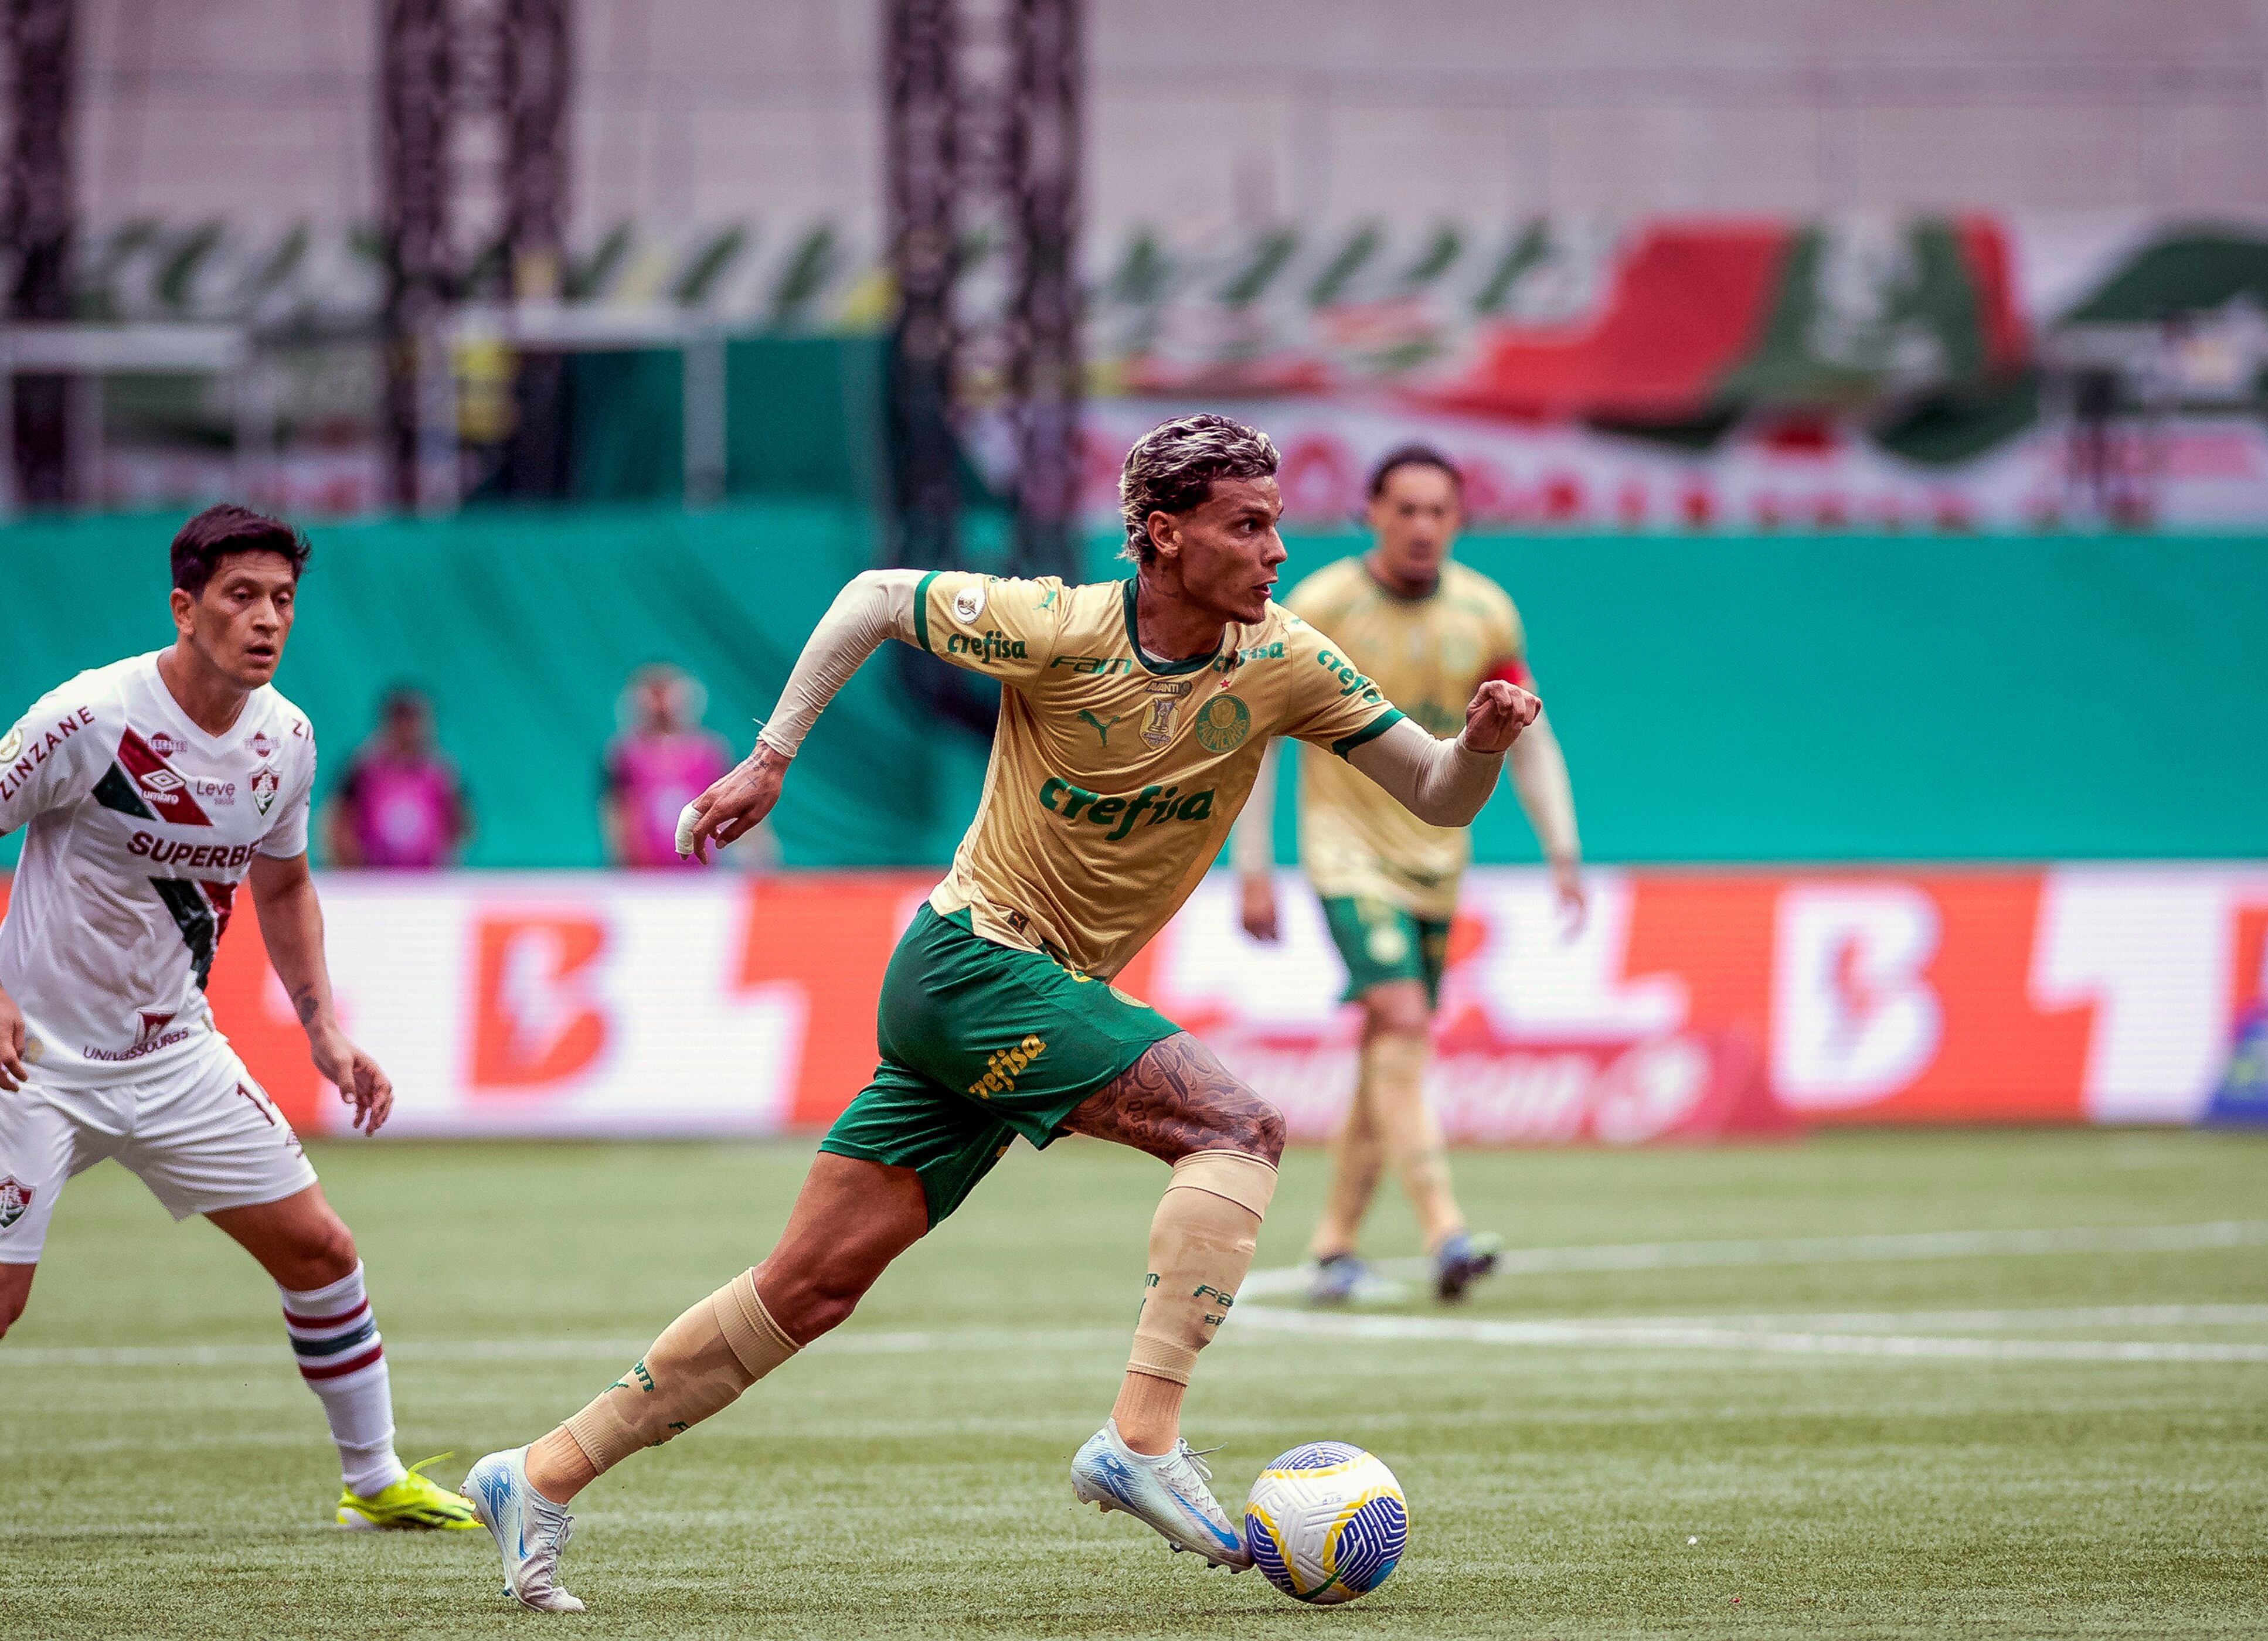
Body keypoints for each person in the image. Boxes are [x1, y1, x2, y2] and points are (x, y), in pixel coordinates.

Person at [458, 414, 1545, 1612]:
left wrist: (1481, 745)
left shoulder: (1285, 659)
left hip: (1016, 995)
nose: (1278, 549)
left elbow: (1439, 794)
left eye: (1278, 521)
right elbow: (875, 595)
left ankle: (540, 1471)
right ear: (1165, 535)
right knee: (1237, 1127)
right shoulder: (1065, 625)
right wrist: (771, 757)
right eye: (1250, 525)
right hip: (971, 964)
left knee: (807, 1287)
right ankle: (1140, 1436)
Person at [0, 503, 475, 1532]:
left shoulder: (289, 741)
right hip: (30, 1062)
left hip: (175, 1060)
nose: (268, 620)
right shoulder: (92, 718)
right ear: (185, 607)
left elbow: (287, 887)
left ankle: (374, 1478)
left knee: (322, 1252)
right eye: (242, 597)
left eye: (285, 601)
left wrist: (324, 1029)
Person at [1232, 444, 1583, 1306]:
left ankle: (1333, 1246)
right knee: (1402, 1016)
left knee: (1388, 1048)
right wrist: (1251, 865)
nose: (1422, 526)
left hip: (1437, 859)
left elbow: (1527, 732)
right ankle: (1445, 1230)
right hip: (1344, 852)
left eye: (1440, 511)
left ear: (1458, 521)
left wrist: (1563, 850)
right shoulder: (1319, 607)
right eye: (1406, 509)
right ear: (1373, 514)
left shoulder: (1486, 615)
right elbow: (1254, 734)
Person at [323, 686, 472, 869]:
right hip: (373, 880)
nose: (407, 729)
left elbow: (463, 824)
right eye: (401, 720)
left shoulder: (441, 772)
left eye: (413, 720)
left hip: (428, 881)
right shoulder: (363, 768)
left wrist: (445, 858)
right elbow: (337, 822)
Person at [601, 664, 732, 870]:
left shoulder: (712, 751)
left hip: (703, 875)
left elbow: (733, 812)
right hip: (644, 876)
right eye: (653, 693)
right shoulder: (624, 755)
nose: (660, 703)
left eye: (667, 691)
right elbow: (616, 812)